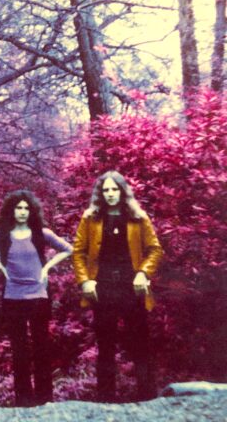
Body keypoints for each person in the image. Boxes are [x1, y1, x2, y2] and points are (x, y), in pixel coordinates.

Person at [0, 190, 72, 407]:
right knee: (19, 349)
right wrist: (0, 267)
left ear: (32, 211)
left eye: (26, 208)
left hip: (38, 296)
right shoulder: (1, 236)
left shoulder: (42, 234)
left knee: (41, 346)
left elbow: (67, 249)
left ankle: (45, 399)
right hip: (13, 297)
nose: (23, 212)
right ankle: (23, 400)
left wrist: (47, 268)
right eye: (18, 208)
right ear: (11, 211)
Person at [72, 170, 163, 402]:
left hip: (132, 288)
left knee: (140, 342)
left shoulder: (138, 217)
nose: (110, 194)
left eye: (114, 189)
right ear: (100, 193)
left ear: (122, 191)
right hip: (102, 288)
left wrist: (143, 273)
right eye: (106, 190)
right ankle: (106, 400)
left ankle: (147, 398)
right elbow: (78, 252)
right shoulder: (90, 218)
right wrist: (85, 280)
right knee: (105, 344)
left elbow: (154, 249)